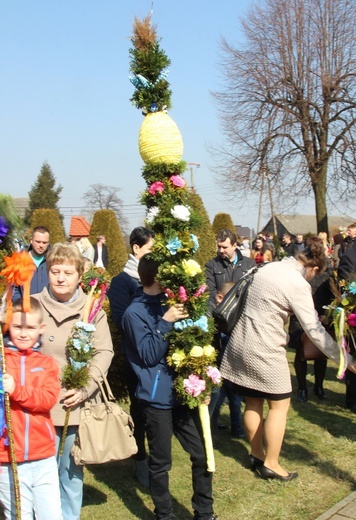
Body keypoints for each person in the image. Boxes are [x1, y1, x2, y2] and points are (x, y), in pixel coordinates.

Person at [220, 237, 356, 481]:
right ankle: (271, 463)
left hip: (240, 341)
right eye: (315, 275)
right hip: (265, 348)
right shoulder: (297, 283)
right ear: (313, 268)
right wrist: (343, 358)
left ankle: (257, 454)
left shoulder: (264, 267)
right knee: (279, 405)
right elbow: (314, 330)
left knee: (252, 401)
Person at [122, 255, 216, 520]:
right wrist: (165, 320)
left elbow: (192, 341)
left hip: (184, 394)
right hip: (156, 399)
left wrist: (202, 380)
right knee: (162, 463)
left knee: (201, 454)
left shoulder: (172, 303)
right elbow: (149, 354)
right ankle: (164, 515)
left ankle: (205, 511)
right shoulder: (134, 312)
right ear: (157, 278)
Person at [33, 242, 114, 520]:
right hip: (35, 405)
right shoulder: (31, 305)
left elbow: (104, 352)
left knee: (69, 471)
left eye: (68, 272)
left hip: (72, 405)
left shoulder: (92, 310)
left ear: (80, 276)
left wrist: (85, 387)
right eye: (55, 271)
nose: (60, 278)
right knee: (37, 470)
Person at [0, 297, 62, 520]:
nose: (23, 333)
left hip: (43, 457)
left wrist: (16, 389)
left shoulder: (46, 364)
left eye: (30, 327)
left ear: (41, 328)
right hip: (8, 459)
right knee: (19, 515)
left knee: (51, 515)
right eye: (17, 326)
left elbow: (46, 399)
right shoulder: (2, 360)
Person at [107, 226, 155, 488]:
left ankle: (156, 458)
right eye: (149, 250)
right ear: (136, 249)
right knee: (139, 409)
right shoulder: (121, 282)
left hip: (156, 353)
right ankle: (140, 457)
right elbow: (120, 318)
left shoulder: (155, 277)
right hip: (134, 357)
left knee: (154, 411)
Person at [210, 282, 244, 443]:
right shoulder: (213, 317)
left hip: (232, 367)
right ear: (219, 298)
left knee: (235, 400)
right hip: (217, 367)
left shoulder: (235, 317)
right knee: (216, 400)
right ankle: (212, 430)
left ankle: (237, 429)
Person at [205, 229, 255, 311]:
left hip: (243, 311)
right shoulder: (211, 265)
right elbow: (210, 291)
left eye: (224, 247)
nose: (221, 250)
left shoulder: (249, 264)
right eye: (219, 247)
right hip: (220, 310)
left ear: (234, 246)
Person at [13, 225, 50, 299]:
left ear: (48, 243)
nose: (41, 245)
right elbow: (14, 289)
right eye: (38, 242)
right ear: (31, 240)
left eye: (44, 242)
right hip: (25, 308)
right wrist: (20, 305)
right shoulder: (20, 260)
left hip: (47, 308)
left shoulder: (52, 261)